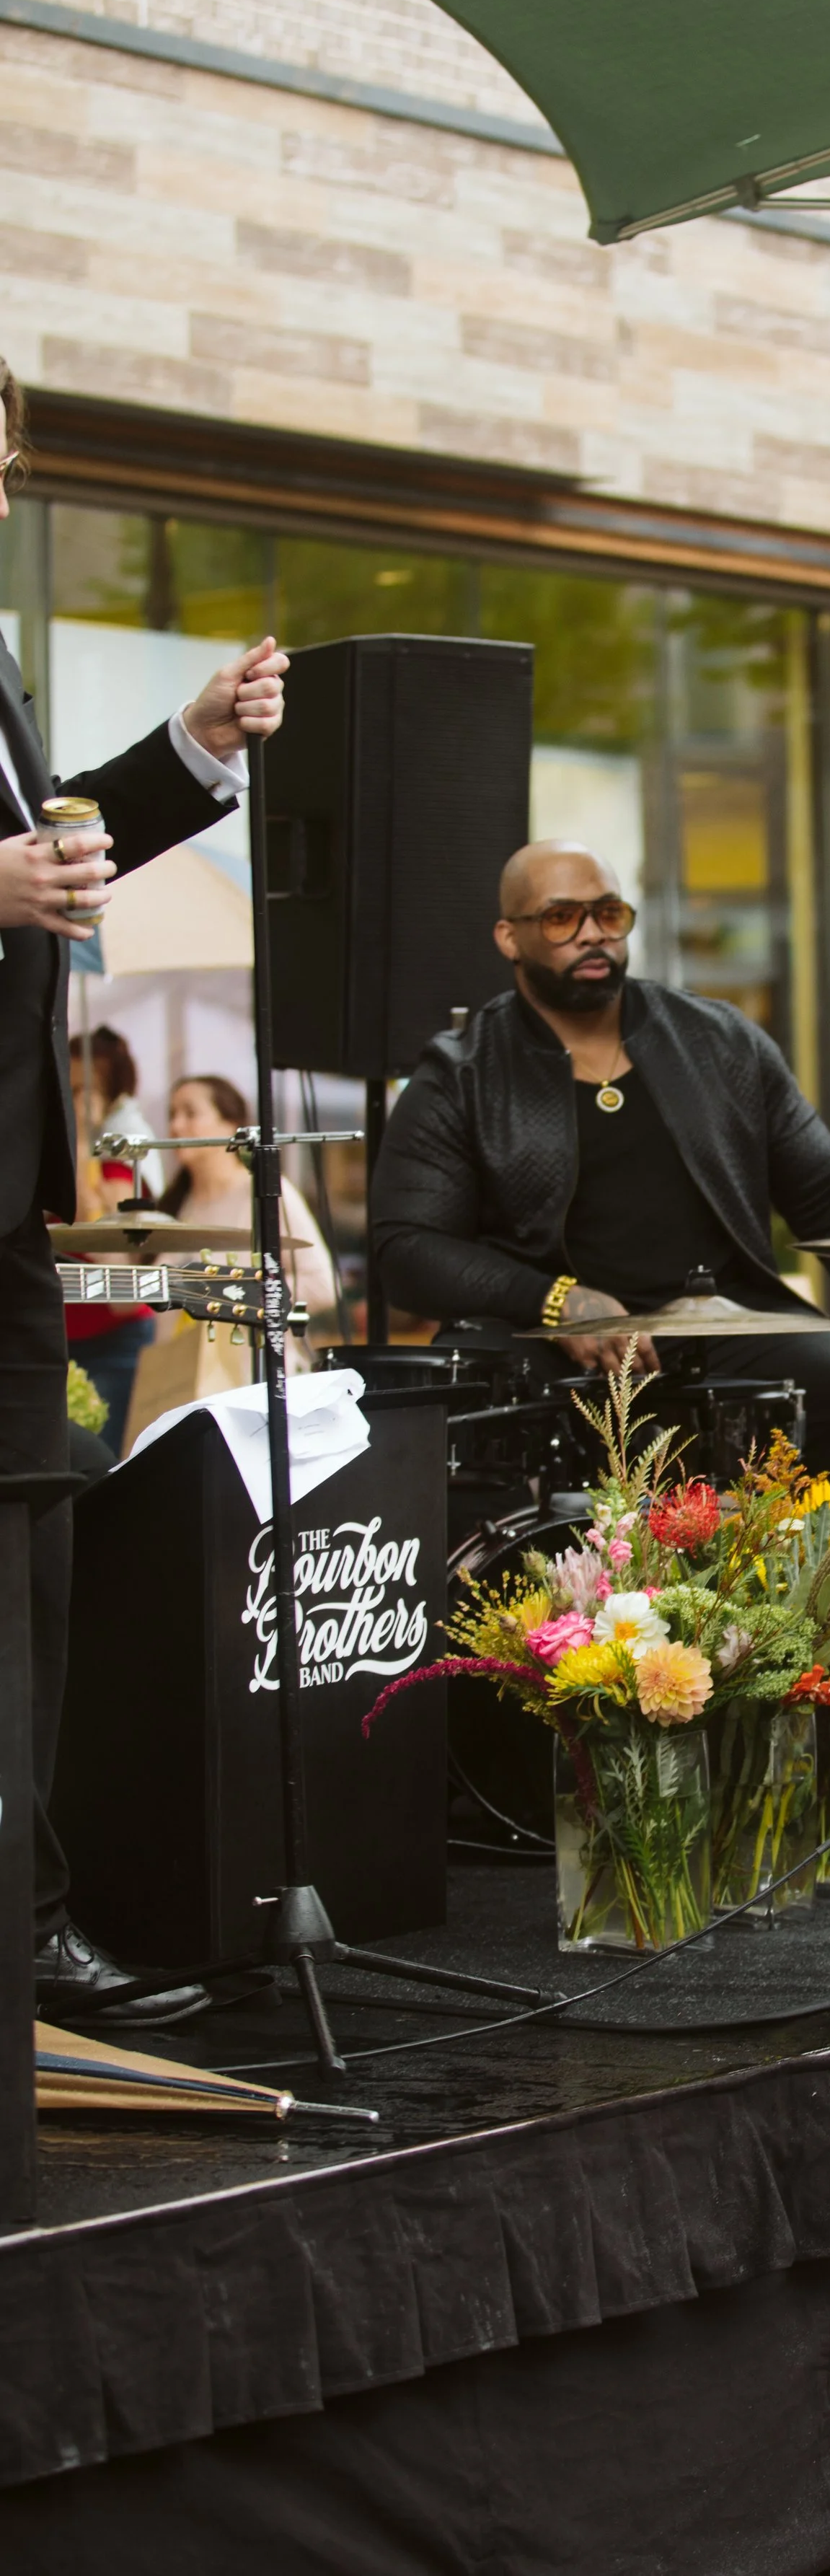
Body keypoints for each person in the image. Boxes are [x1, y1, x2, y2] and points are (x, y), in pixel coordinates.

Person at [0, 356, 289, 2026]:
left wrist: (184, 747)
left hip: (9, 1199)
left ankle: (27, 1919)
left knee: (32, 1557)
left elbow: (58, 839)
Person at [370, 840, 830, 1483]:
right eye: (563, 917)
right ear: (510, 937)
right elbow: (407, 1248)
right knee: (480, 1406)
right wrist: (553, 1300)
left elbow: (829, 1197)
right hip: (545, 1342)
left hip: (721, 1323)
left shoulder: (720, 1041)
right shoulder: (464, 1072)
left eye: (609, 914)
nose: (593, 935)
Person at [159, 1073, 338, 1371]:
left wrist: (233, 1293)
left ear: (231, 1124)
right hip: (181, 1380)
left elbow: (323, 1284)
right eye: (172, 1115)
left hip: (251, 1376)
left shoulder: (266, 1193)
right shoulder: (179, 1206)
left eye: (191, 1114)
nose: (176, 1127)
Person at [62, 1027, 159, 1454]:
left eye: (85, 1090)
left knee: (102, 1457)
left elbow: (103, 1244)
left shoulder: (119, 1171)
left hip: (113, 1335)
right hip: (60, 1334)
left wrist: (82, 1141)